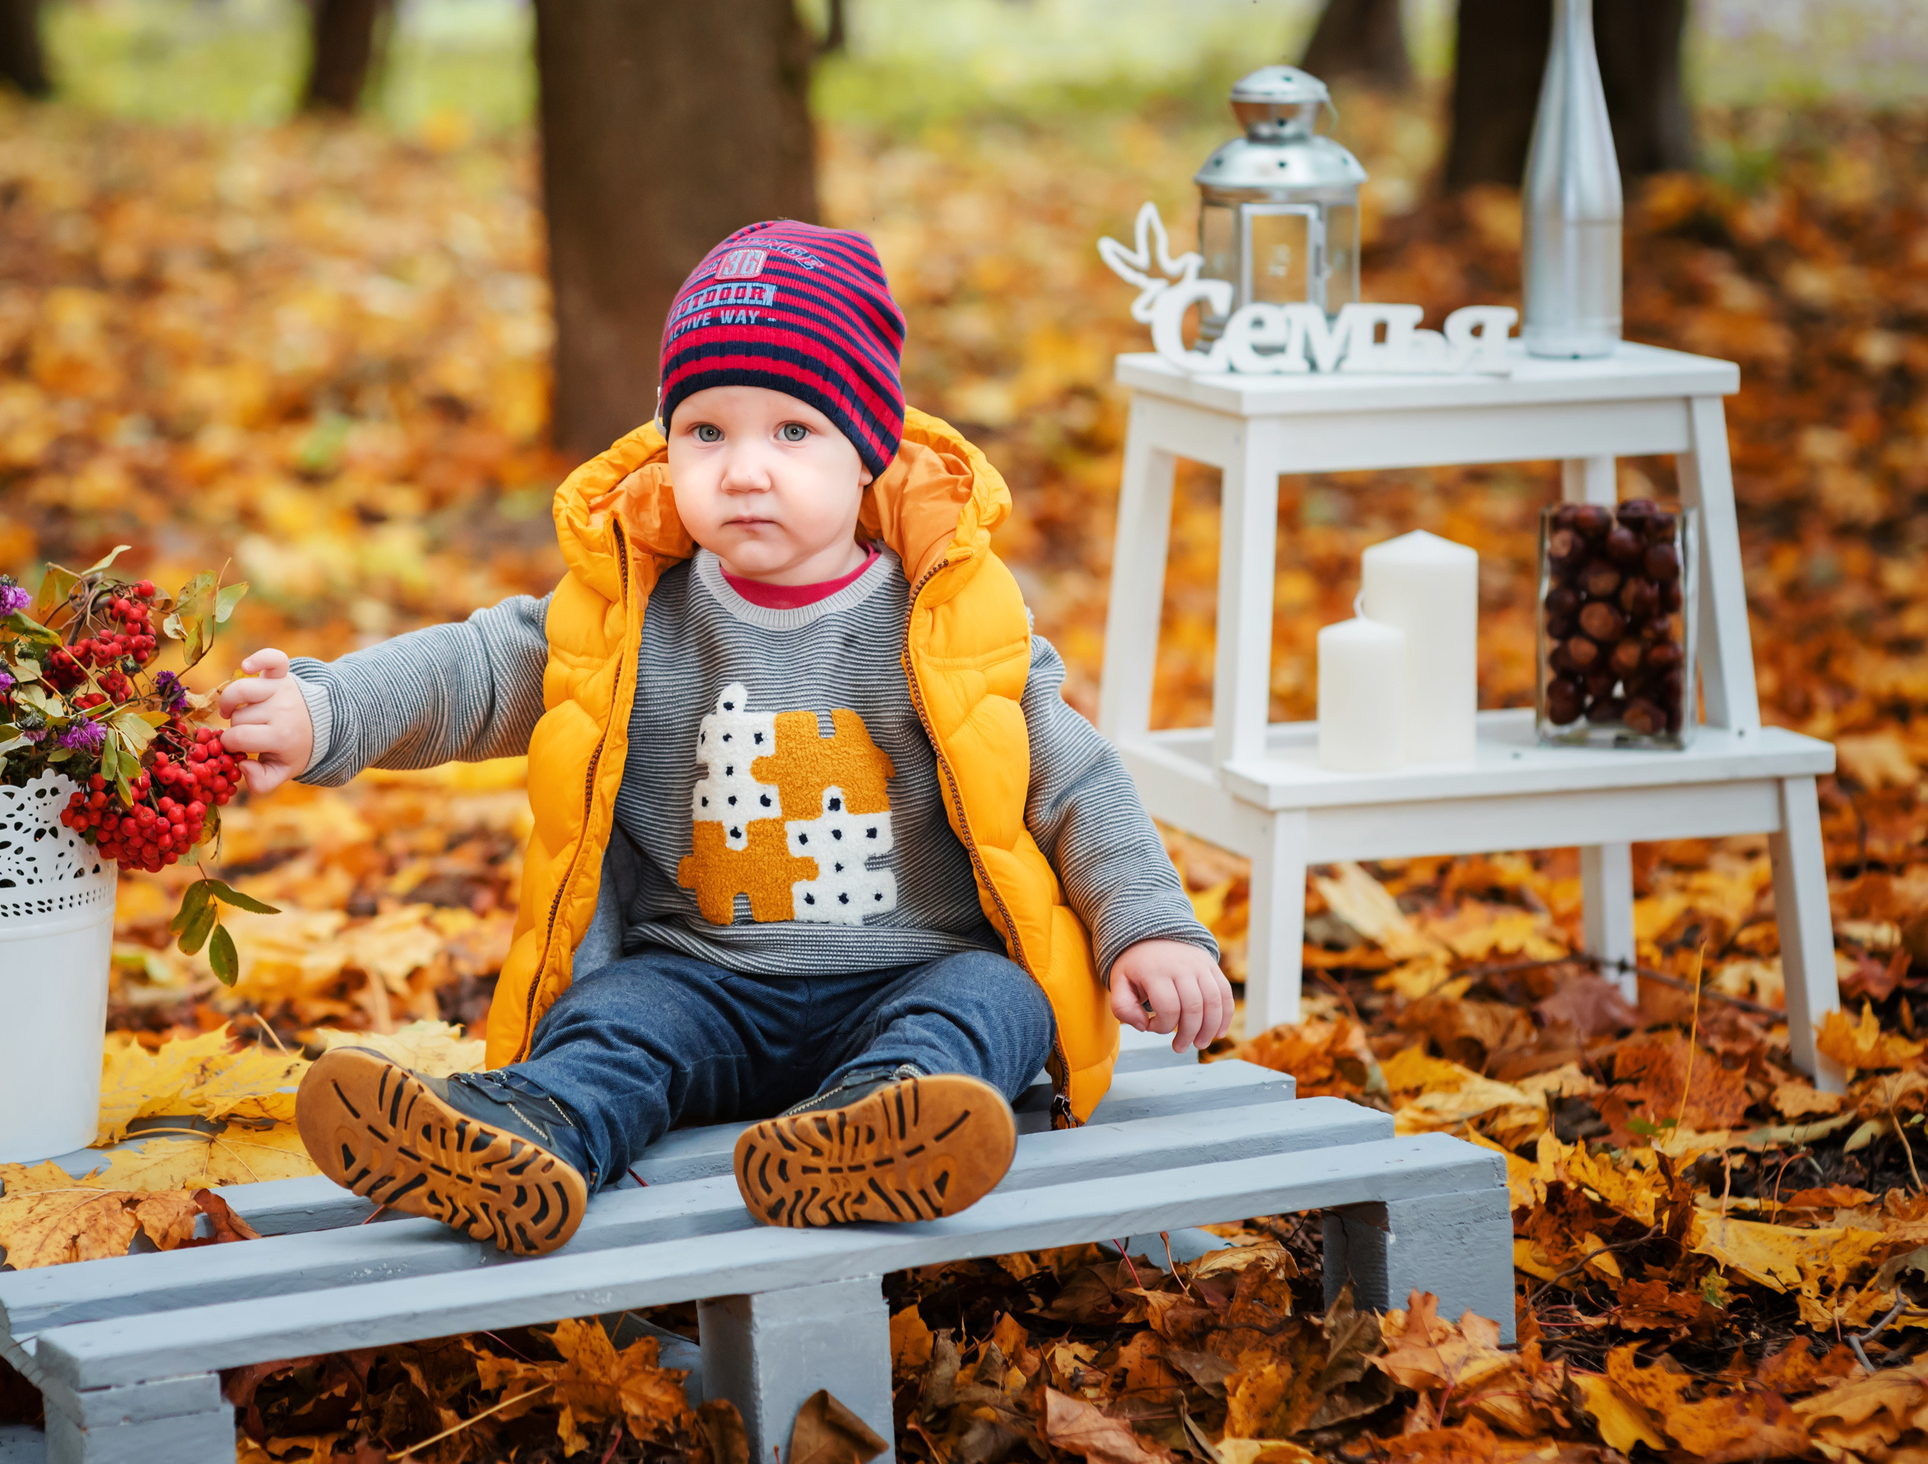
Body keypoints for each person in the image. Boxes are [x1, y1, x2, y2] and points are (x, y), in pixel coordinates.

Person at [220, 220, 1229, 1258]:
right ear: (666, 442)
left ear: (868, 447)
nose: (744, 469)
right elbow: (468, 673)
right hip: (699, 977)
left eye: (793, 431)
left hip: (910, 968)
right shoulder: (625, 616)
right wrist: (325, 709)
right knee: (611, 1021)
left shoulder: (945, 625)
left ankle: (882, 1126)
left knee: (997, 998)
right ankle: (525, 1130)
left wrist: (1148, 927)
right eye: (706, 431)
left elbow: (1076, 784)